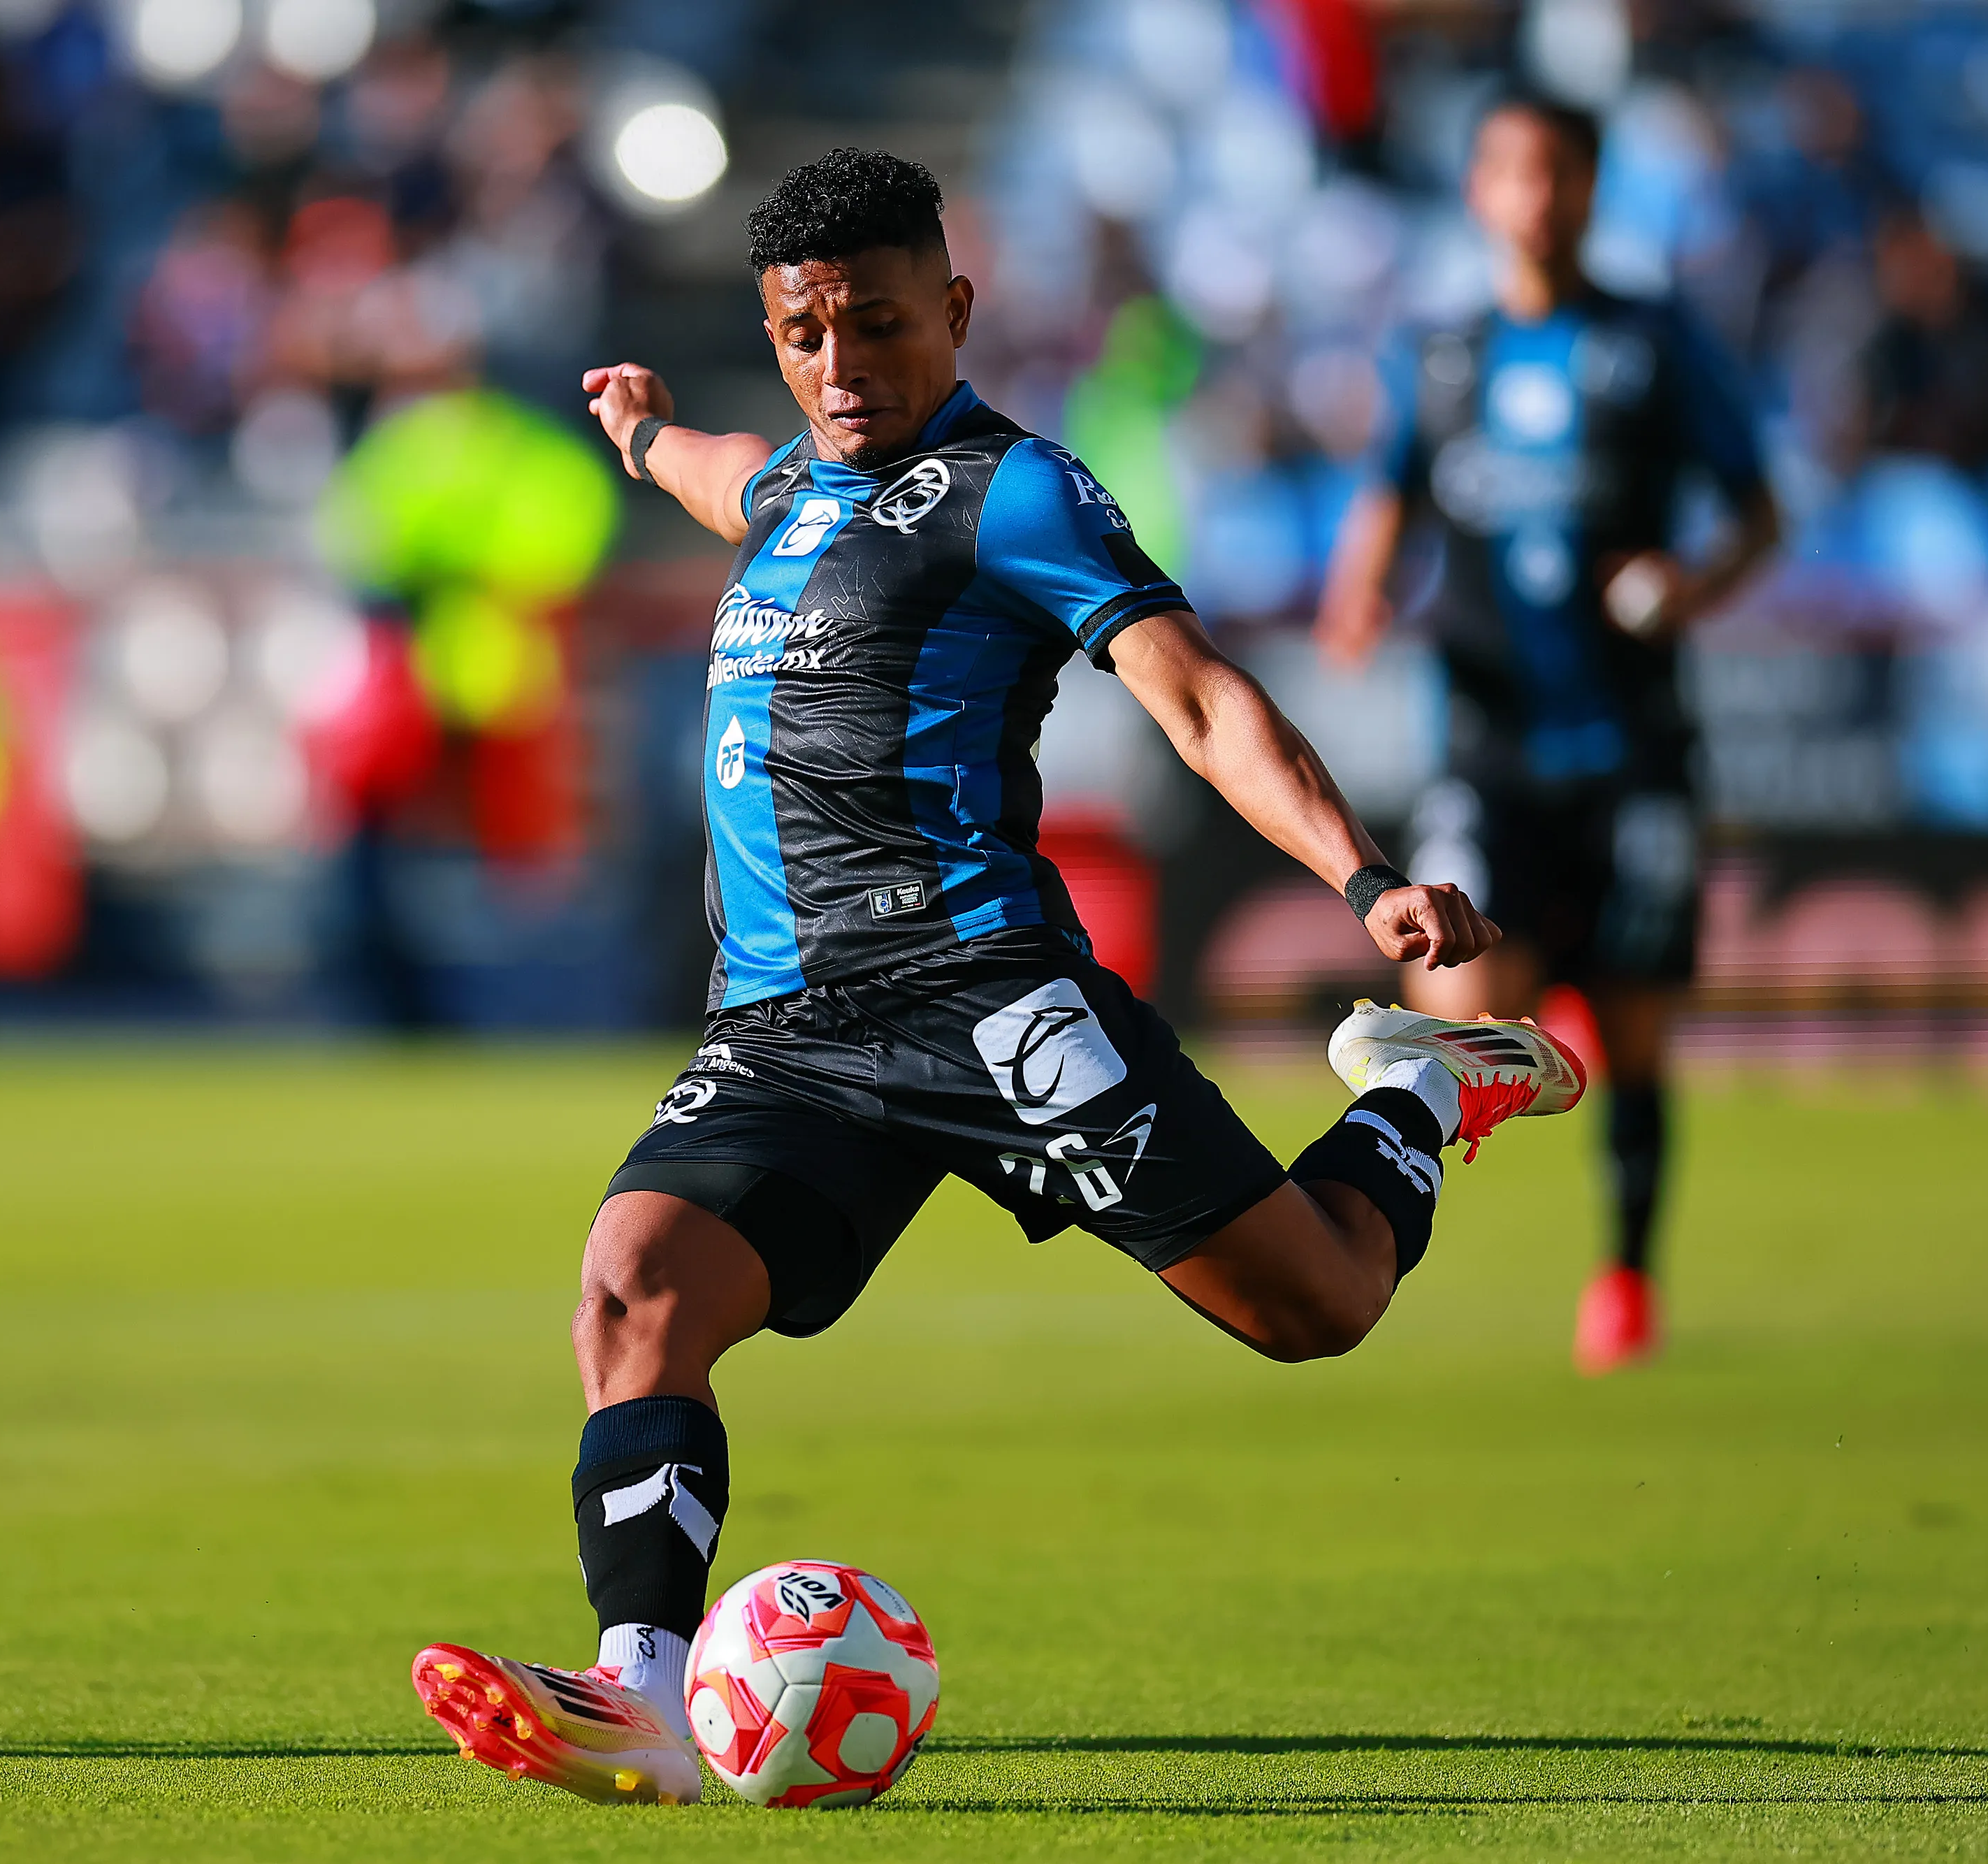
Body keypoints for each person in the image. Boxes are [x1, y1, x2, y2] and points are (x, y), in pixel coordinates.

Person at [412, 148, 1587, 1805]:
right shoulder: (786, 486)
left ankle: (1419, 1090)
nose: (840, 365)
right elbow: (722, 468)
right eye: (804, 333)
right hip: (786, 1030)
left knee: (1314, 1304)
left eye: (877, 326)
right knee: (634, 1283)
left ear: (952, 309)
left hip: (984, 1001)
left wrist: (1363, 876)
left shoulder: (1013, 492)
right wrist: (638, 432)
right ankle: (641, 1697)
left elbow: (1198, 703)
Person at [1316, 94, 1781, 1378]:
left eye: (1562, 170)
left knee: (1635, 1035)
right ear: (1479, 189)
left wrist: (1694, 586)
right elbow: (1390, 493)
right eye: (1514, 168)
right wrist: (1360, 588)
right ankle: (1483, 1086)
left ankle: (1626, 1277)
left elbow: (1759, 510)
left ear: (1592, 186)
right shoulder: (1442, 352)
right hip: (1489, 744)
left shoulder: (1654, 342)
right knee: (1447, 998)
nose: (1538, 193)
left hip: (1634, 748)